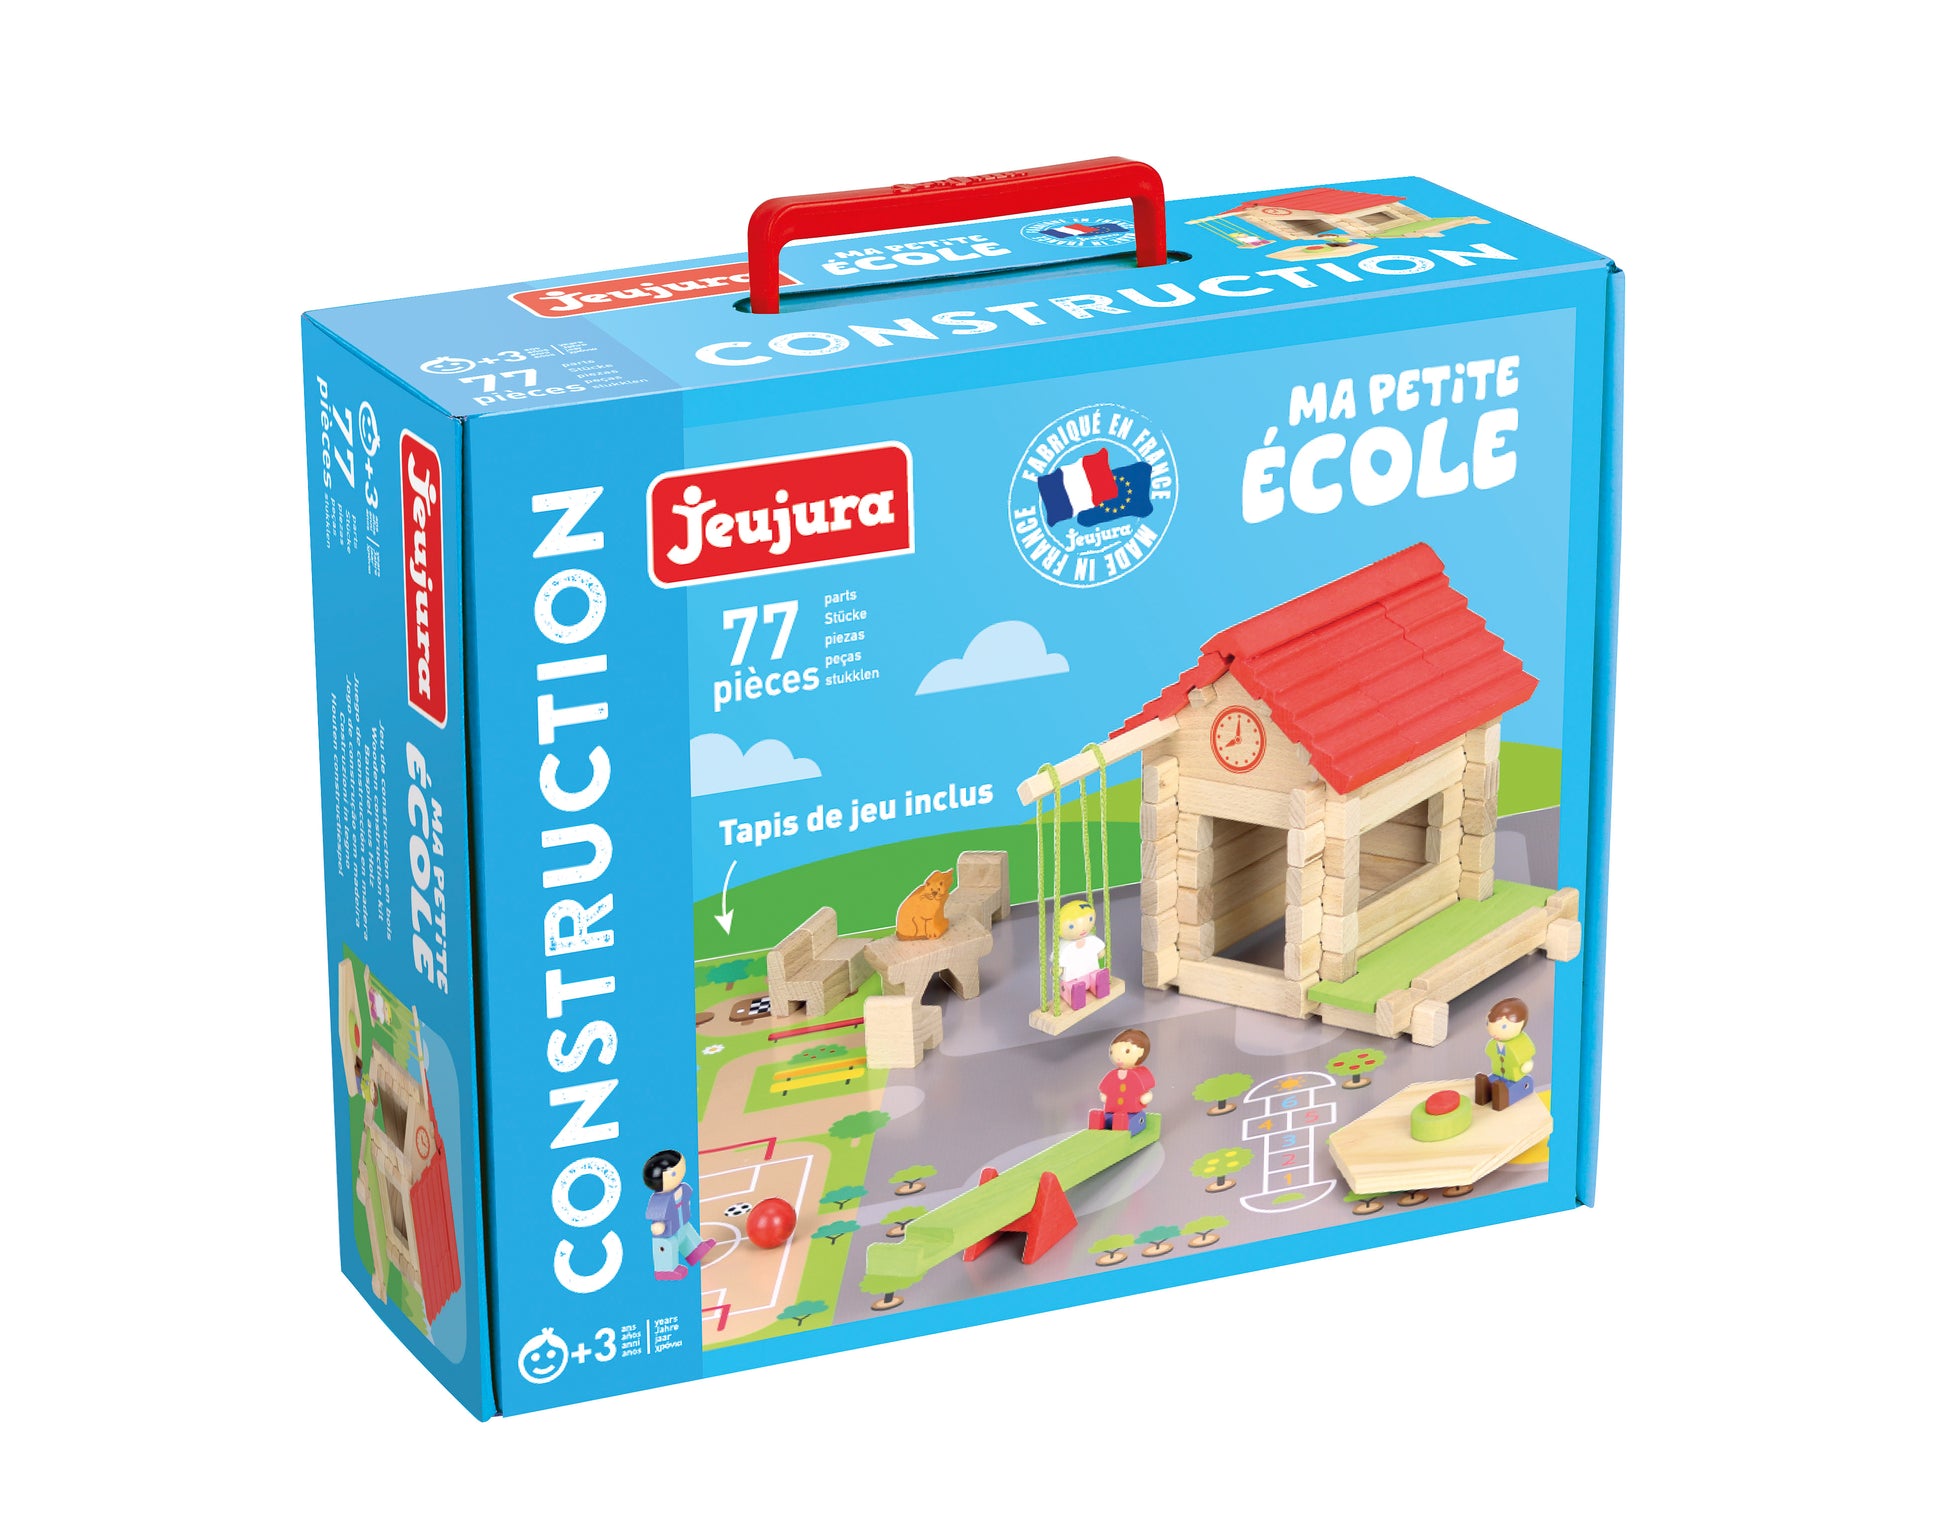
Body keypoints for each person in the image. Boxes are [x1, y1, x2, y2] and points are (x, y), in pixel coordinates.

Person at [642, 1149, 716, 1280]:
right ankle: (666, 1270)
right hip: (667, 1234)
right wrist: (658, 1226)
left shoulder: (682, 1188)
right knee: (667, 1249)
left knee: (688, 1234)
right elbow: (656, 1217)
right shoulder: (660, 1201)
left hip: (681, 1224)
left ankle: (695, 1250)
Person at [1476, 998, 1537, 1111]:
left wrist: (1527, 1064)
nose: (1493, 1032)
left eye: (1503, 1026)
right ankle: (1484, 1092)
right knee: (1490, 1083)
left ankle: (1502, 1098)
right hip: (1497, 1074)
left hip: (1515, 1078)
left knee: (1501, 1088)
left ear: (1520, 1025)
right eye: (1488, 1023)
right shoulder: (1493, 1044)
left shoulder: (1520, 1043)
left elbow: (1527, 1056)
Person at [1090, 1028, 1154, 1135]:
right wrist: (1105, 1096)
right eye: (1112, 1052)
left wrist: (1145, 1097)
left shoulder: (1139, 1074)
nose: (1118, 1058)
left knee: (1121, 1119)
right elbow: (1105, 1089)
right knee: (1097, 1115)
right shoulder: (1113, 1075)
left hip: (1131, 1113)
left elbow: (1146, 1090)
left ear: (1140, 1052)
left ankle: (1120, 1133)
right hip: (1111, 1110)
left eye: (1127, 1051)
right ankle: (1095, 1127)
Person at [1053, 898, 1111, 1011]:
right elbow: (1060, 961)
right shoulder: (1066, 947)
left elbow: (1099, 951)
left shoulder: (1090, 939)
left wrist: (1100, 952)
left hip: (1091, 970)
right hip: (1073, 978)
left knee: (1098, 977)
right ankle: (1077, 998)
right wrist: (1058, 969)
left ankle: (1100, 987)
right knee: (1075, 988)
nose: (1083, 929)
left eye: (1090, 919)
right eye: (1071, 927)